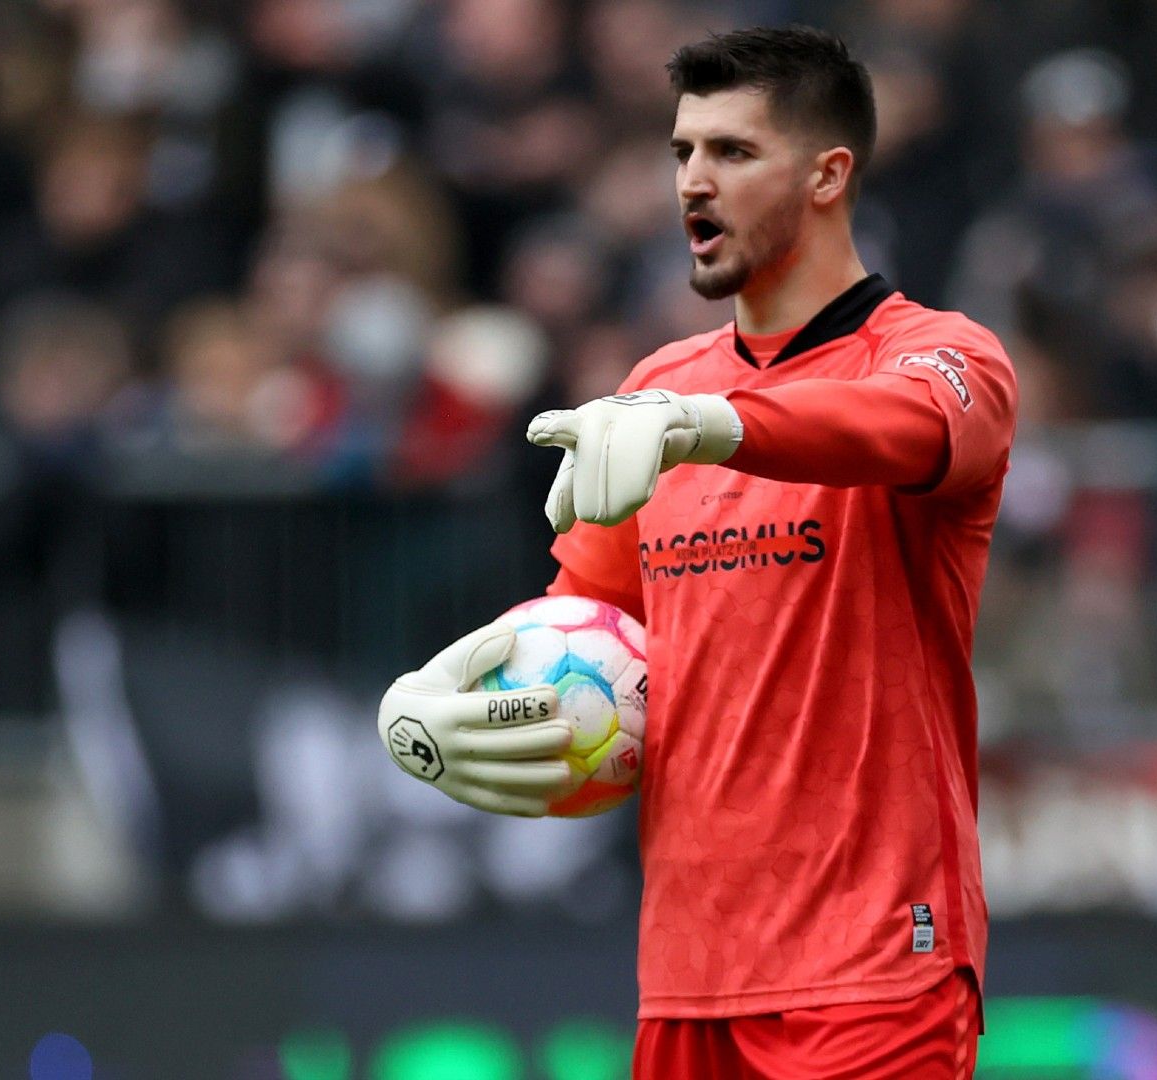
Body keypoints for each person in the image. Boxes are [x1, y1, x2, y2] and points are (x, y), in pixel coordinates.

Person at [379, 26, 1016, 1078]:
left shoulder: (943, 356)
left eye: (732, 152)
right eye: (681, 152)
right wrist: (428, 705)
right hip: (688, 979)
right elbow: (579, 627)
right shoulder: (659, 384)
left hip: (871, 970)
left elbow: (896, 428)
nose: (692, 183)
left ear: (828, 176)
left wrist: (716, 425)